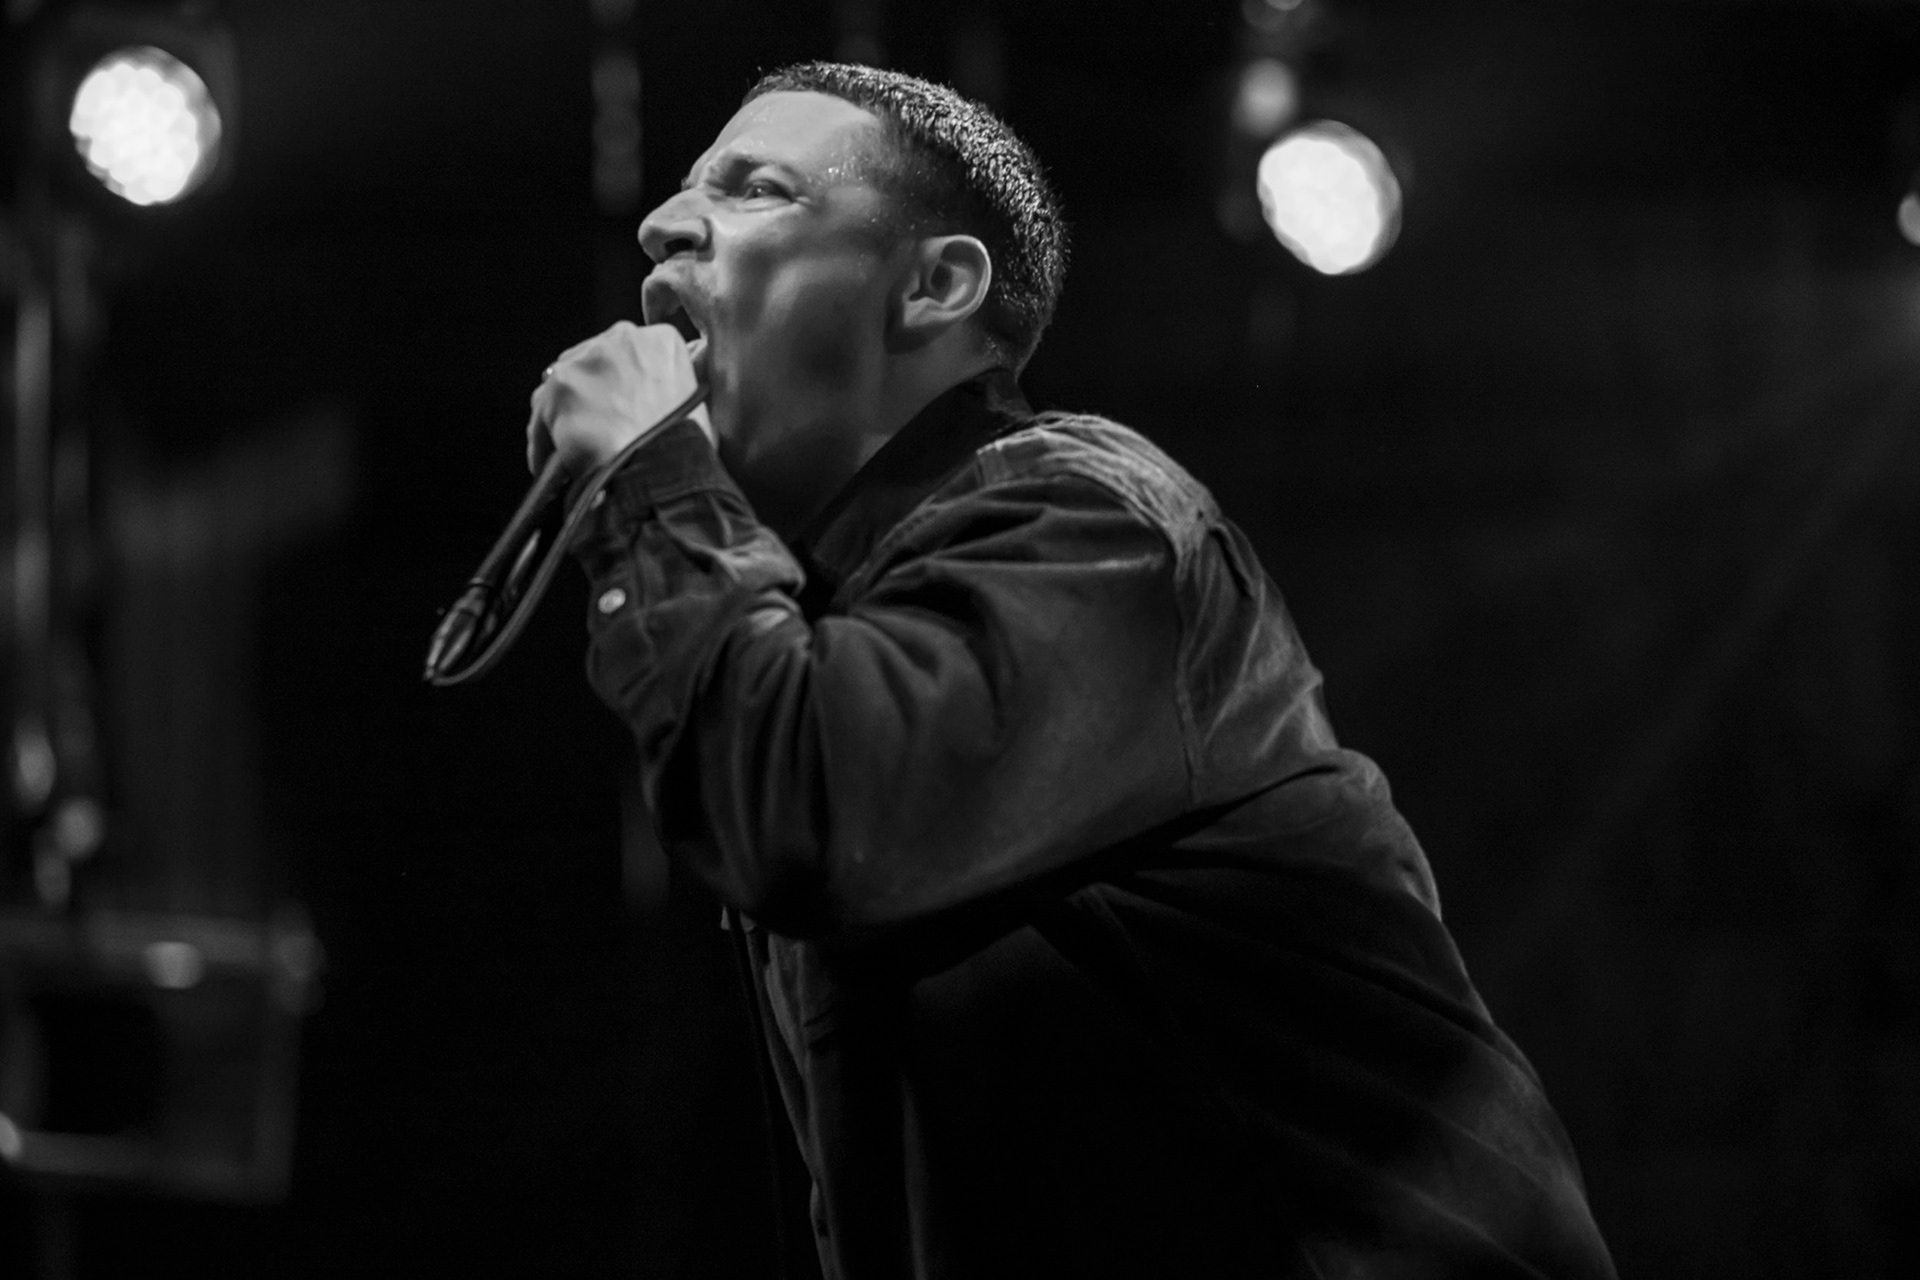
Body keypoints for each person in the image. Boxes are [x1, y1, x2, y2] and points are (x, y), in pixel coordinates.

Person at [527, 61, 1616, 1280]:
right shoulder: (815, 633)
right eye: (684, 188)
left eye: (756, 188)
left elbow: (808, 806)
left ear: (935, 286)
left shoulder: (1090, 517)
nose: (663, 222)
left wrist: (651, 480)